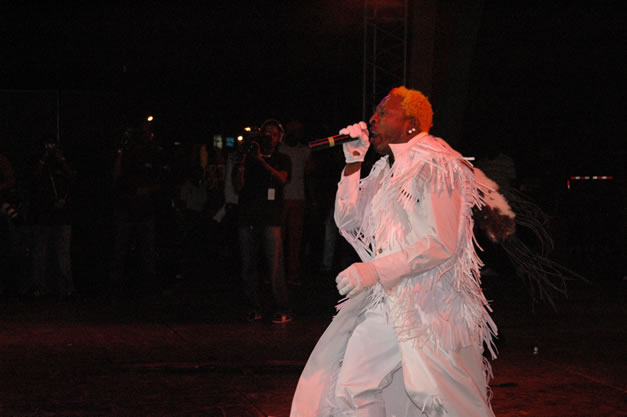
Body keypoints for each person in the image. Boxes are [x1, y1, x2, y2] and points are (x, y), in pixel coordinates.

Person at [290, 87, 497, 417]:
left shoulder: (438, 163)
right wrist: (353, 163)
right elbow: (349, 220)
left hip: (429, 304)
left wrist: (374, 270)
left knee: (440, 398)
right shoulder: (386, 170)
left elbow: (440, 242)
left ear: (411, 125)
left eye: (383, 113)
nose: (372, 119)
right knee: (353, 387)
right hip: (389, 300)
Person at [234, 119, 293, 324]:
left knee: (275, 266)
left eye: (273, 134)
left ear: (279, 139)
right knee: (248, 265)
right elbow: (238, 187)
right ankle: (253, 307)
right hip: (247, 217)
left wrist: (261, 161)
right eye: (266, 133)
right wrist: (243, 161)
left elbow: (282, 179)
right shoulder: (248, 157)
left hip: (271, 218)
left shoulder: (282, 158)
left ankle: (282, 308)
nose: (269, 137)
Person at [27, 137, 76, 298]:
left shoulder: (62, 163)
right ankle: (39, 287)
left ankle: (65, 289)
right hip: (42, 215)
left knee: (63, 256)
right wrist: (44, 157)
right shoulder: (39, 161)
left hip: (61, 217)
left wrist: (61, 158)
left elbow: (72, 177)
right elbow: (33, 177)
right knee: (40, 255)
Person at [280, 120, 313, 286]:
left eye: (299, 130)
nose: (297, 133)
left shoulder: (303, 150)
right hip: (281, 199)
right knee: (278, 240)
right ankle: (276, 274)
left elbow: (309, 173)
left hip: (298, 198)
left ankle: (292, 274)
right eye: (294, 129)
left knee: (295, 241)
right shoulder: (280, 149)